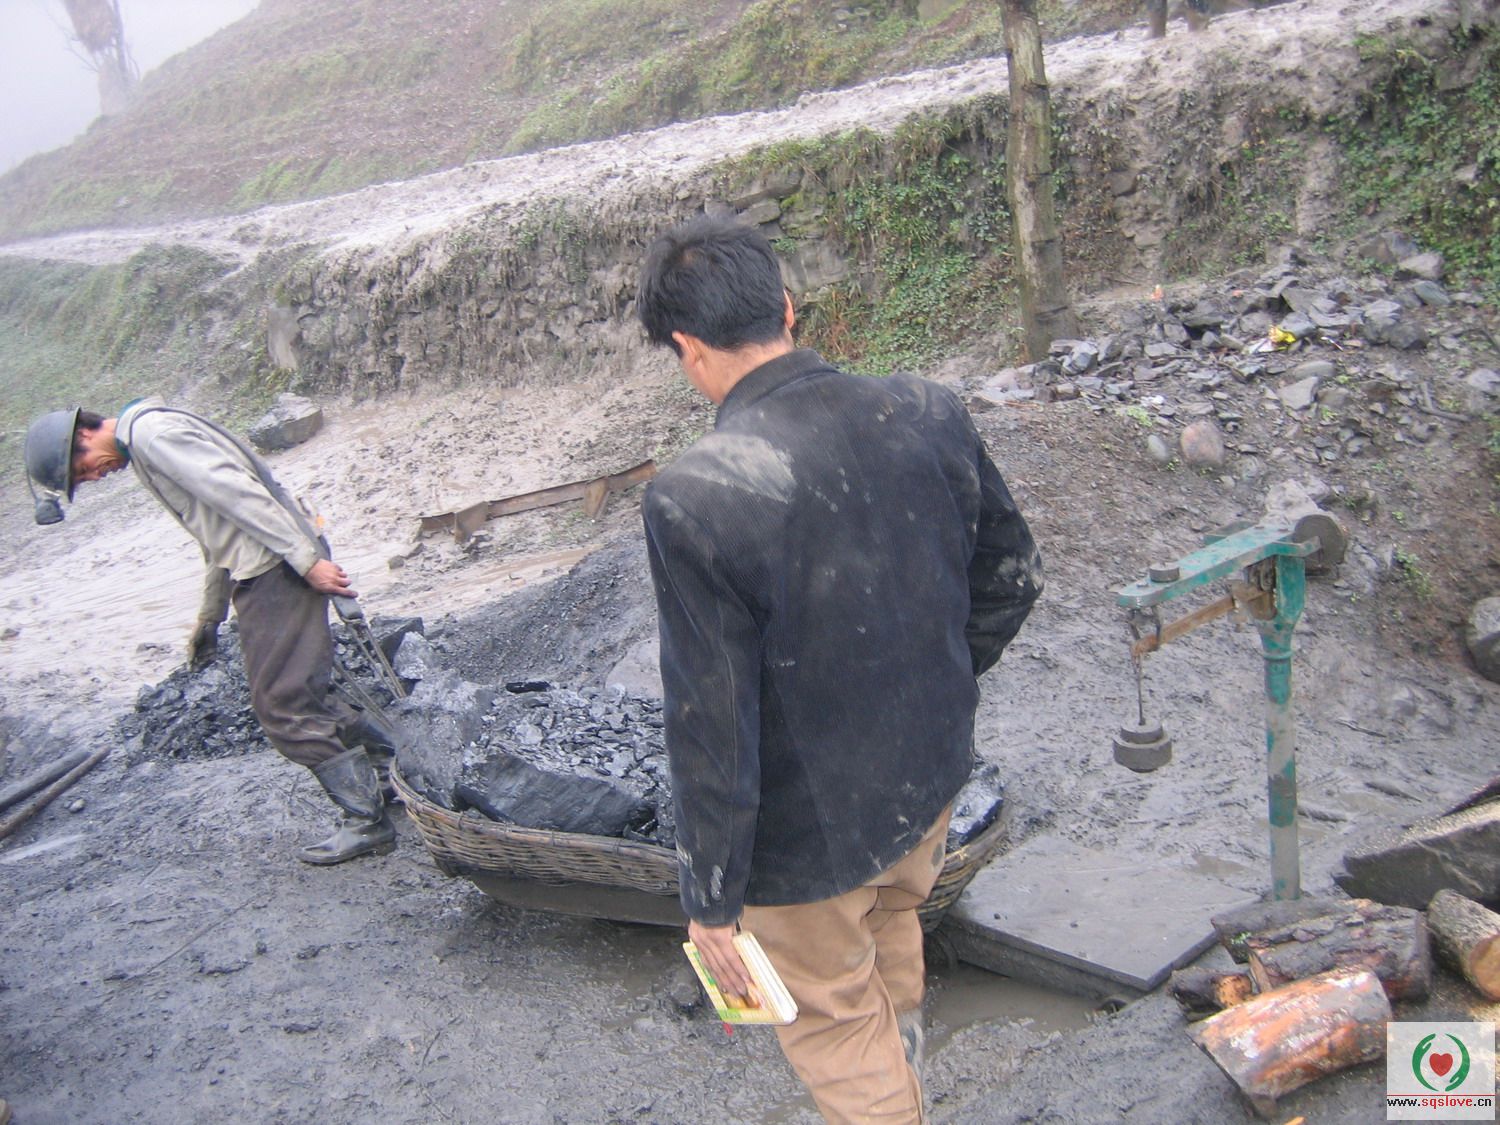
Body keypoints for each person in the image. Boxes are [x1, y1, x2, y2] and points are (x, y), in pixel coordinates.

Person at [635, 215, 1042, 1123]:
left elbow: (713, 722)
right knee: (892, 928)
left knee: (834, 1023)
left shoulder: (695, 495)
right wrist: (937, 675)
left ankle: (890, 1096)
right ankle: (906, 1073)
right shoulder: (925, 408)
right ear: (785, 307)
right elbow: (1014, 576)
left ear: (687, 348)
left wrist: (710, 900)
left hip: (807, 845)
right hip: (926, 783)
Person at [22, 399, 400, 865]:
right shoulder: (147, 439)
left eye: (82, 471)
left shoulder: (154, 437)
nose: (95, 478)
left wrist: (307, 563)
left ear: (81, 436)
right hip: (270, 564)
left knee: (283, 707)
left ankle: (367, 821)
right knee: (303, 695)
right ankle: (393, 772)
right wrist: (211, 614)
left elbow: (240, 496)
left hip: (275, 568)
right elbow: (215, 533)